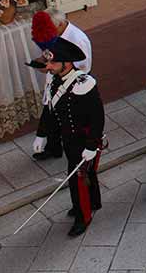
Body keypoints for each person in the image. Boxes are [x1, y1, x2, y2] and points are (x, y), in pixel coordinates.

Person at [31, 37, 104, 237]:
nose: (49, 66)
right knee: (86, 174)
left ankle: (83, 216)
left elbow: (98, 118)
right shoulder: (55, 82)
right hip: (69, 139)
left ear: (67, 63)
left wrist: (91, 146)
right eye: (49, 62)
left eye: (54, 63)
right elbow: (50, 110)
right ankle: (93, 201)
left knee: (77, 179)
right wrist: (41, 134)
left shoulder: (85, 83)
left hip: (85, 140)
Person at [29, 9, 93, 162]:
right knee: (51, 113)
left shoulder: (77, 39)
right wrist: (42, 61)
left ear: (59, 25)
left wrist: (49, 68)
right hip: (55, 80)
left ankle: (73, 149)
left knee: (65, 118)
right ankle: (53, 148)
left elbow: (79, 66)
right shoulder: (54, 35)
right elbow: (49, 54)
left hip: (70, 85)